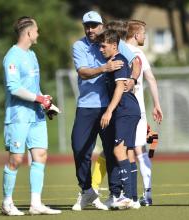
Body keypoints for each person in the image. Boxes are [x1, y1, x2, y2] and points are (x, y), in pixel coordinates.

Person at [71, 11, 140, 211]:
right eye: (87, 26)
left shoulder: (111, 42)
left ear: (101, 26)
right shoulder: (79, 46)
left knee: (112, 151)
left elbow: (136, 62)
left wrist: (132, 79)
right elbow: (83, 72)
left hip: (109, 107)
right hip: (86, 106)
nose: (90, 29)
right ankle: (86, 191)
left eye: (94, 25)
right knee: (79, 148)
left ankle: (115, 193)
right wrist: (105, 68)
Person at [1, 16, 61, 216]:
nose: (38, 34)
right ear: (28, 33)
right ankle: (7, 203)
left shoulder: (32, 55)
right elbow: (14, 88)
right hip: (18, 116)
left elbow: (33, 87)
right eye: (36, 30)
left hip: (36, 115)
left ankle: (36, 203)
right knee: (16, 159)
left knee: (40, 156)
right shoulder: (12, 57)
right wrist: (38, 98)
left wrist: (45, 100)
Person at [98, 29, 141, 209]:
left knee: (118, 151)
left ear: (114, 46)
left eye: (103, 46)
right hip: (128, 111)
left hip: (125, 110)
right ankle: (134, 198)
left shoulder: (119, 61)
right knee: (128, 152)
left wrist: (109, 111)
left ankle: (126, 197)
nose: (100, 49)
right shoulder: (111, 62)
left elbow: (119, 87)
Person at [125, 19, 163, 207]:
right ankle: (146, 194)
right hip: (137, 109)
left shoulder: (118, 50)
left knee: (122, 150)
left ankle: (125, 194)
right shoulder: (138, 53)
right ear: (136, 35)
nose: (145, 37)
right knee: (140, 149)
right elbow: (151, 79)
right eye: (144, 33)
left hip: (121, 109)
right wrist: (156, 104)